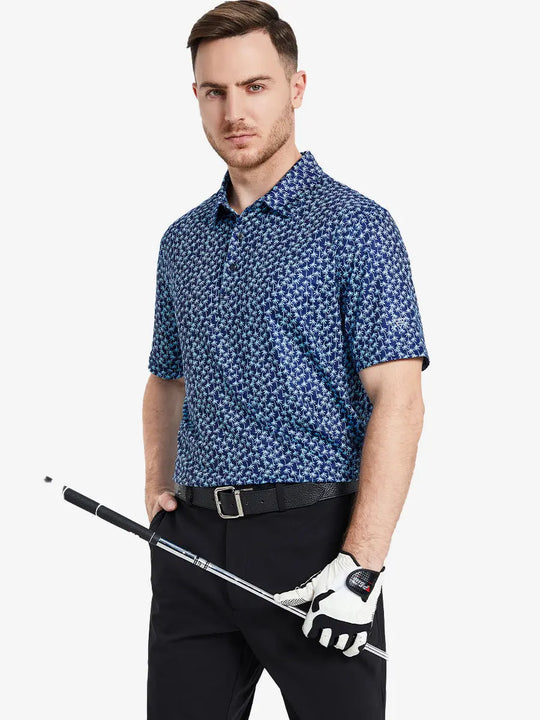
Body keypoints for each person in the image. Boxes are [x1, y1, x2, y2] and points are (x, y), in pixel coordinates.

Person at [142, 2, 430, 718]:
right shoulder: (182, 241)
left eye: (255, 86)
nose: (234, 111)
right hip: (192, 546)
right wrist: (158, 489)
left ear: (296, 88)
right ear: (196, 97)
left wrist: (360, 568)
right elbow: (165, 376)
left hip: (317, 543)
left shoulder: (357, 228)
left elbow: (400, 398)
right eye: (215, 91)